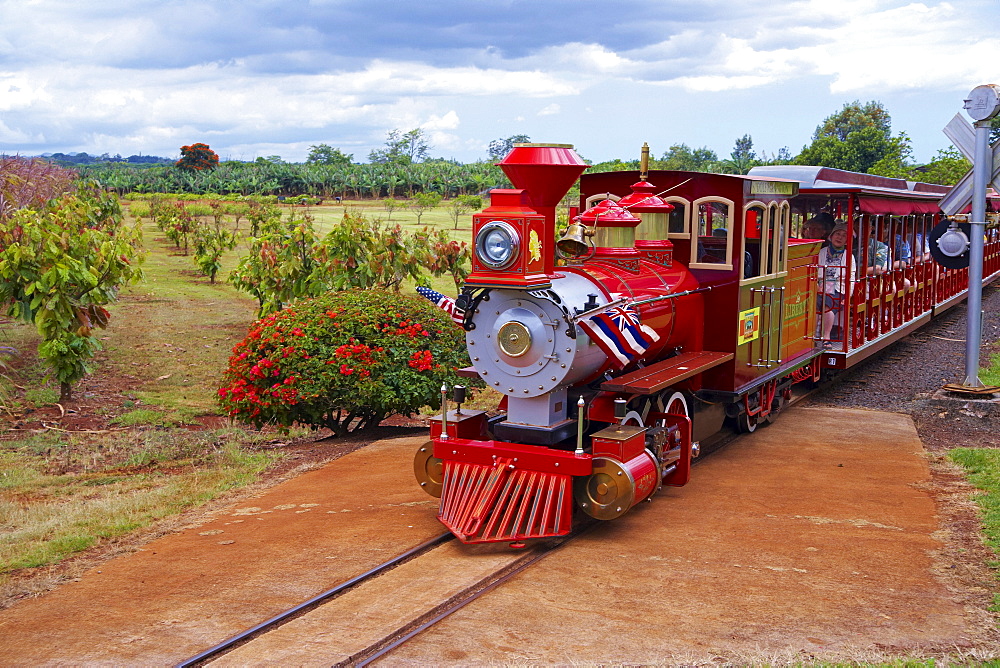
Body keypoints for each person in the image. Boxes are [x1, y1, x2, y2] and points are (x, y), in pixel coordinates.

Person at [817, 222, 855, 349]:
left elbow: (851, 278)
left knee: (828, 300)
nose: (839, 237)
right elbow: (815, 272)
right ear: (831, 236)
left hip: (839, 288)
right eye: (837, 234)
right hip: (819, 287)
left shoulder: (849, 256)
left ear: (846, 241)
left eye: (844, 236)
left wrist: (848, 296)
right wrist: (817, 286)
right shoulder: (821, 252)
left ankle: (826, 337)